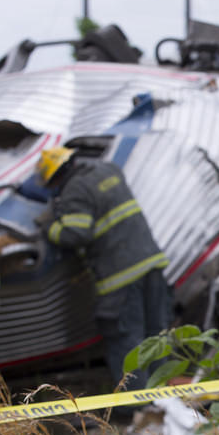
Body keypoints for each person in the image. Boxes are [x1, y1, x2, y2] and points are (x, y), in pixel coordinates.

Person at [36, 146, 172, 403]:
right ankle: (165, 401)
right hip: (151, 262)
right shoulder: (108, 169)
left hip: (120, 277)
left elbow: (76, 234)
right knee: (156, 335)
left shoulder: (74, 189)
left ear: (55, 177)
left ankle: (137, 407)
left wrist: (49, 226)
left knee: (126, 341)